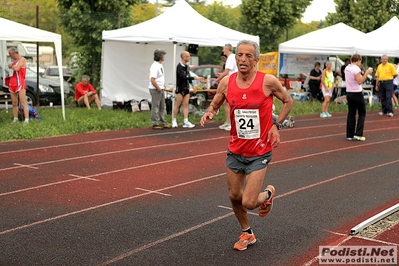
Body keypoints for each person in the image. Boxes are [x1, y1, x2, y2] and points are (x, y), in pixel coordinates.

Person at [200, 40, 293, 251]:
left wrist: (276, 125)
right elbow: (216, 103)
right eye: (239, 55)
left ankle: (268, 195)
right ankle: (247, 232)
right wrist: (210, 112)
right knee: (234, 196)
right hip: (235, 149)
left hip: (259, 151)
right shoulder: (227, 82)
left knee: (249, 202)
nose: (242, 59)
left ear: (256, 60)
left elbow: (287, 101)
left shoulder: (267, 81)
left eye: (248, 56)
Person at [344, 54, 373, 141]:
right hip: (357, 92)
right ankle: (358, 134)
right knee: (362, 113)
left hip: (349, 92)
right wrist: (367, 73)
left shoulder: (347, 68)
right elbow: (360, 81)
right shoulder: (356, 69)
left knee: (351, 114)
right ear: (358, 60)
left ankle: (349, 134)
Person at [172, 51, 203, 128]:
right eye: (188, 56)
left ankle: (185, 121)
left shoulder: (187, 66)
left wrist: (193, 85)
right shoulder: (179, 66)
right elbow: (183, 76)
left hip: (187, 88)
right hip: (180, 88)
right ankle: (174, 120)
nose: (190, 57)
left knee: (186, 104)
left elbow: (188, 76)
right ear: (184, 57)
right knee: (177, 104)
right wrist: (195, 78)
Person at [212, 44, 238, 131]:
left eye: (223, 49)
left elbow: (227, 72)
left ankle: (230, 122)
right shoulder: (233, 57)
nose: (223, 50)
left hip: (232, 82)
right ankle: (228, 121)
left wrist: (216, 80)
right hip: (233, 81)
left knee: (228, 103)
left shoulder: (230, 57)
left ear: (226, 49)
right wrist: (220, 75)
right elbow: (230, 71)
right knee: (226, 103)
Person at [148, 49, 171, 130]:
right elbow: (152, 79)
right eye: (163, 55)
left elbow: (159, 77)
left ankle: (162, 121)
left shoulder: (160, 65)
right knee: (156, 106)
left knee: (162, 106)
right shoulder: (155, 66)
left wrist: (163, 86)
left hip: (160, 88)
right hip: (156, 89)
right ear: (161, 57)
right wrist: (158, 88)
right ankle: (154, 122)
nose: (164, 57)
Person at [7, 47, 29, 123]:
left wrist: (11, 66)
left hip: (20, 83)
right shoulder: (14, 62)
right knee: (14, 102)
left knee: (23, 102)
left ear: (14, 53)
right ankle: (15, 118)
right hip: (13, 83)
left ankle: (26, 119)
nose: (10, 57)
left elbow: (17, 68)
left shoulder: (22, 59)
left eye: (10, 55)